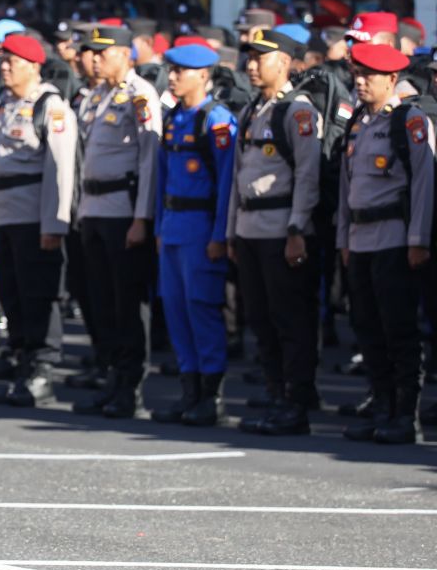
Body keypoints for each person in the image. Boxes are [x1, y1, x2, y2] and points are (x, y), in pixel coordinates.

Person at [338, 43, 434, 445]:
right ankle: (381, 407)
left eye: (369, 76)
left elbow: (425, 183)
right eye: (357, 74)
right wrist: (343, 236)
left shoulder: (408, 121)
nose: (360, 82)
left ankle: (403, 415)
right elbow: (347, 187)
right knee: (368, 328)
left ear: (392, 79)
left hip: (394, 238)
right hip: (360, 239)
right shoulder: (358, 121)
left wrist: (419, 239)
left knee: (398, 331)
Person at [229, 29, 322, 435]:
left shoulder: (297, 111)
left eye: (259, 58)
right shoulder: (253, 110)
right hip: (250, 229)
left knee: (290, 320)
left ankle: (295, 404)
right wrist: (233, 228)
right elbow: (238, 176)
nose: (250, 66)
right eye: (248, 58)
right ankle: (275, 394)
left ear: (282, 63)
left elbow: (307, 175)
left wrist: (298, 228)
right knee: (261, 320)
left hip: (281, 228)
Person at [70, 25, 161, 419]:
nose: (95, 59)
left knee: (127, 303)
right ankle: (110, 378)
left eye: (102, 53)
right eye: (92, 53)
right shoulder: (96, 95)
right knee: (100, 301)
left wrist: (142, 216)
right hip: (93, 209)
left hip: (123, 212)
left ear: (126, 55)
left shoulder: (139, 94)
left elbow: (149, 159)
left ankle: (130, 387)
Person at [0, 34, 77, 406]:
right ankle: (22, 367)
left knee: (39, 296)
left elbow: (61, 169)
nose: (4, 68)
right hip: (5, 217)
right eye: (3, 62)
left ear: (34, 66)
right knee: (13, 296)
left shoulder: (50, 106)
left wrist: (54, 225)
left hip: (34, 218)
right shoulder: (3, 104)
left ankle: (42, 371)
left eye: (12, 62)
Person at [149, 44, 237, 426]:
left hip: (201, 228)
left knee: (201, 309)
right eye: (171, 69)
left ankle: (211, 395)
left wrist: (221, 234)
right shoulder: (174, 118)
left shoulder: (215, 121)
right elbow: (163, 179)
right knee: (175, 308)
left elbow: (226, 185)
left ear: (203, 75)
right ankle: (189, 392)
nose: (172, 77)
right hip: (173, 227)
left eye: (181, 71)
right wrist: (157, 226)